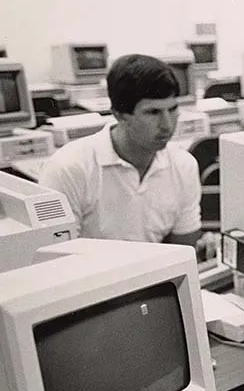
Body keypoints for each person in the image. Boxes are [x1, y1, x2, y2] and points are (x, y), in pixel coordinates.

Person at [39, 54, 207, 250]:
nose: (167, 125)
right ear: (119, 115)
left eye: (172, 109)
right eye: (153, 113)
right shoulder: (68, 168)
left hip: (154, 276)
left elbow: (184, 251)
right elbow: (57, 257)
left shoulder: (184, 165)